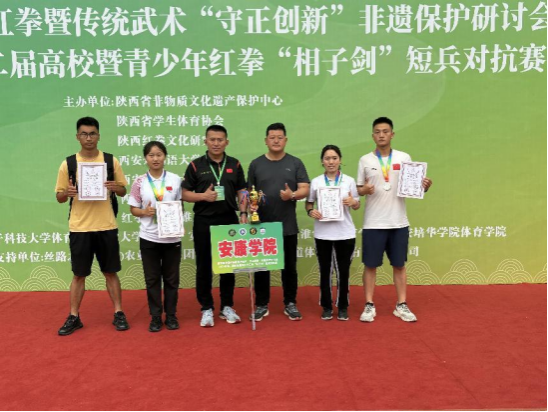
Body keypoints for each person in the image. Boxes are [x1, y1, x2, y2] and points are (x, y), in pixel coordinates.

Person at [56, 117, 129, 336]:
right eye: (84, 134)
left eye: (93, 133)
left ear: (99, 136)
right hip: (80, 227)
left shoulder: (110, 161)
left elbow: (123, 191)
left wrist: (115, 187)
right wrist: (67, 193)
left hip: (106, 225)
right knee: (79, 275)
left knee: (110, 272)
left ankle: (118, 312)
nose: (89, 138)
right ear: (77, 136)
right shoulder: (68, 164)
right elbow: (59, 196)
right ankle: (74, 316)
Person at [357, 117, 433, 323]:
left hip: (399, 222)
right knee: (370, 265)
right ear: (372, 135)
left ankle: (401, 304)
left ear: (392, 134)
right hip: (373, 222)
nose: (381, 135)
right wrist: (363, 190)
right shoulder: (365, 160)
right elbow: (358, 189)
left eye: (385, 131)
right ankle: (369, 304)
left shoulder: (403, 157)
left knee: (399, 265)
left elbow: (412, 185)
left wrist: (423, 186)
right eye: (377, 132)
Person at [182, 125, 249, 328]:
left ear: (226, 142)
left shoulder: (235, 164)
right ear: (206, 141)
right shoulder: (195, 165)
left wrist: (243, 212)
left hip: (228, 220)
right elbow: (184, 194)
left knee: (228, 266)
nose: (216, 143)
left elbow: (242, 191)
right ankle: (206, 308)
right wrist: (203, 196)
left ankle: (227, 306)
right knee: (204, 266)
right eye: (212, 139)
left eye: (220, 140)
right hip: (204, 221)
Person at [247, 123, 310, 321]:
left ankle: (290, 303)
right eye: (272, 137)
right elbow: (249, 193)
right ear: (266, 140)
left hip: (287, 224)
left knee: (289, 267)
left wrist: (292, 195)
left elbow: (305, 188)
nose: (276, 141)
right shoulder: (256, 164)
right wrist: (250, 207)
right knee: (261, 267)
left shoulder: (295, 162)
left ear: (286, 140)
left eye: (279, 137)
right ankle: (261, 304)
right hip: (261, 225)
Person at [129, 142, 183, 333]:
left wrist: (175, 218)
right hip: (149, 238)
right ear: (145, 158)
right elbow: (133, 208)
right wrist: (144, 212)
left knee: (171, 280)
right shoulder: (139, 182)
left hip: (172, 238)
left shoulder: (175, 180)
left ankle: (171, 315)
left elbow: (180, 205)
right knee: (152, 280)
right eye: (151, 155)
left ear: (165, 156)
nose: (155, 159)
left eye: (159, 154)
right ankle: (155, 316)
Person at [306, 145, 360, 321]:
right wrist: (311, 211)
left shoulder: (349, 181)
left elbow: (357, 204)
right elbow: (309, 203)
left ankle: (343, 306)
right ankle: (327, 306)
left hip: (345, 233)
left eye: (334, 158)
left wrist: (353, 202)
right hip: (323, 234)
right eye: (327, 158)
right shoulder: (316, 182)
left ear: (340, 160)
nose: (331, 161)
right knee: (325, 271)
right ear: (322, 161)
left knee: (343, 272)